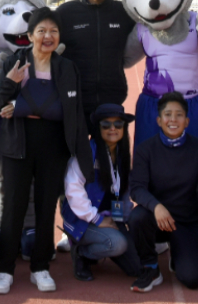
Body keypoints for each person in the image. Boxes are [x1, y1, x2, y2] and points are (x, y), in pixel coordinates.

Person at [0, 7, 92, 294]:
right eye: (41, 31)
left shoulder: (66, 67)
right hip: (18, 146)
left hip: (53, 146)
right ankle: (5, 269)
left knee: (47, 207)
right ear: (30, 35)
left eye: (53, 31)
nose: (47, 36)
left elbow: (68, 111)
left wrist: (24, 108)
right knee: (14, 208)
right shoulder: (14, 62)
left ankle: (39, 267)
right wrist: (12, 83)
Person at [128, 91, 198, 293]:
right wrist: (156, 206)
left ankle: (181, 253)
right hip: (158, 220)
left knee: (194, 278)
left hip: (188, 222)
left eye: (179, 115)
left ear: (187, 121)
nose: (173, 119)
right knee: (138, 216)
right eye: (167, 114)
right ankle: (151, 267)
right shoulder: (145, 150)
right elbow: (137, 188)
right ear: (158, 120)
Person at [61, 103, 142, 282]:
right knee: (117, 243)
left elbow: (123, 193)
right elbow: (73, 191)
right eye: (106, 124)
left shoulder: (122, 155)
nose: (112, 128)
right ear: (98, 128)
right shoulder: (87, 154)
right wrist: (96, 218)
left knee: (136, 267)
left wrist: (123, 220)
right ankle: (82, 253)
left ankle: (105, 244)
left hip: (109, 217)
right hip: (83, 219)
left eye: (118, 124)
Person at [55, 0, 136, 135]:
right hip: (75, 102)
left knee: (111, 159)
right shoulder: (65, 13)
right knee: (74, 159)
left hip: (112, 100)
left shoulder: (124, 12)